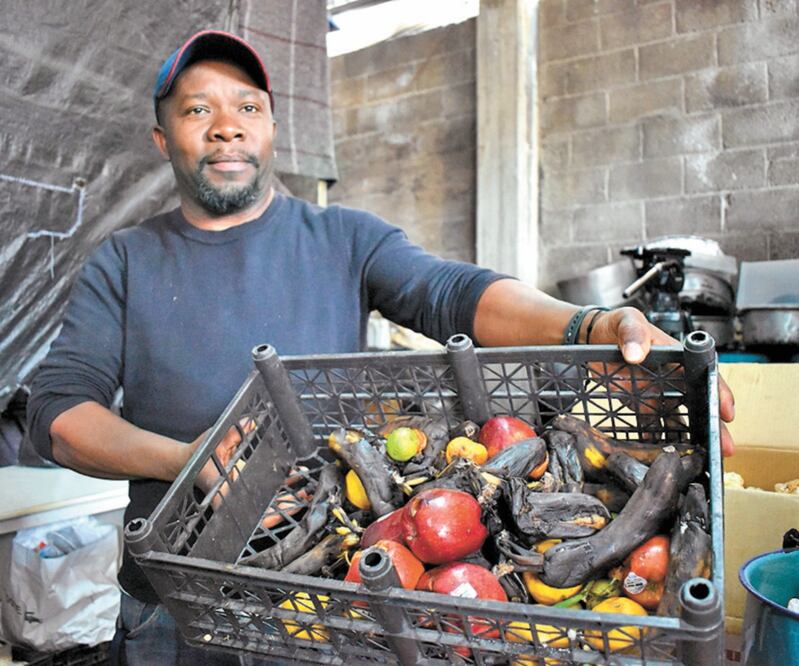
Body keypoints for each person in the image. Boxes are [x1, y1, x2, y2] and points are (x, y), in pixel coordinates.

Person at [26, 30, 735, 666]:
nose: (224, 130)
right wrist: (186, 461)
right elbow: (57, 409)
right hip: (174, 597)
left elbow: (451, 292)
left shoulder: (345, 238)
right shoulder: (122, 260)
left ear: (273, 127)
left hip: (330, 593)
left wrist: (588, 327)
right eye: (195, 110)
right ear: (161, 138)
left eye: (246, 108)